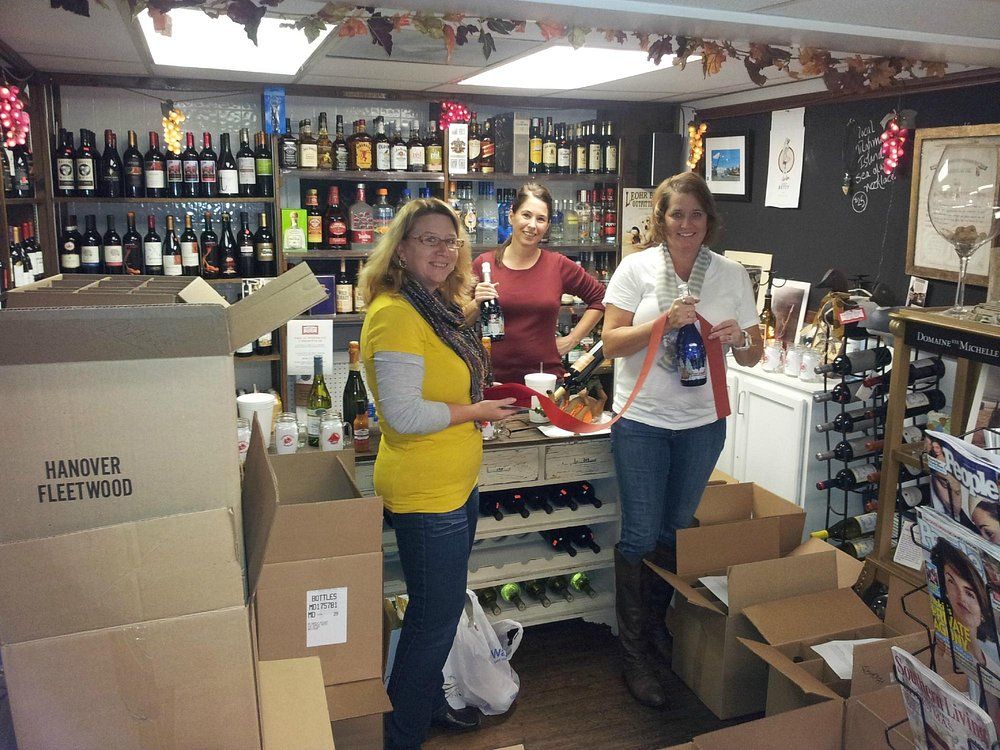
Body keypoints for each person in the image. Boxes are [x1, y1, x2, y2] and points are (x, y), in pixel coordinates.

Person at [358, 198, 517, 750]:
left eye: (450, 241)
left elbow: (444, 370)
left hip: (455, 483)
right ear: (401, 248)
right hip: (426, 492)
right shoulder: (395, 313)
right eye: (429, 239)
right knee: (433, 619)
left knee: (438, 613)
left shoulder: (434, 307)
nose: (443, 251)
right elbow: (401, 414)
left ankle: (424, 707)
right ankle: (400, 736)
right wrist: (477, 412)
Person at [601, 172, 762, 707]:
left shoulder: (732, 275)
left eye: (696, 215)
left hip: (702, 423)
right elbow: (610, 346)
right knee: (640, 535)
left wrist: (743, 340)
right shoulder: (635, 268)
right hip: (643, 420)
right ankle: (633, 654)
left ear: (708, 219)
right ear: (661, 221)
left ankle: (658, 627)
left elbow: (753, 352)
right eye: (676, 215)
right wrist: (663, 324)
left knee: (675, 533)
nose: (686, 225)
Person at [472, 182, 606, 385]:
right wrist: (475, 303)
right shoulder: (484, 265)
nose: (532, 225)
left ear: (548, 225)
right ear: (511, 215)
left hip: (545, 380)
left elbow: (601, 298)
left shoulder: (557, 265)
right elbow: (455, 321)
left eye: (541, 219)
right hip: (492, 381)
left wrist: (572, 339)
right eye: (526, 215)